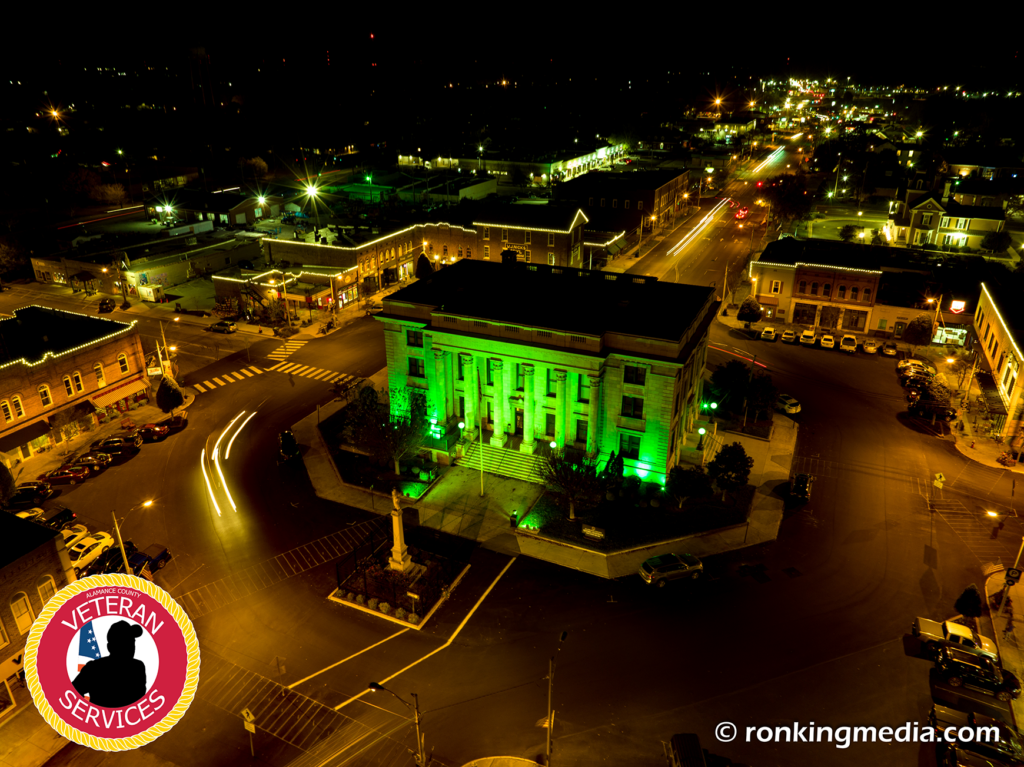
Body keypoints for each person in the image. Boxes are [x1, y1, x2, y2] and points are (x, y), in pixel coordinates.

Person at [72, 621, 147, 708]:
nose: (130, 646)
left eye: (132, 642)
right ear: (110, 647)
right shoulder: (94, 668)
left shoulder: (138, 667)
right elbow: (73, 692)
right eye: (124, 642)